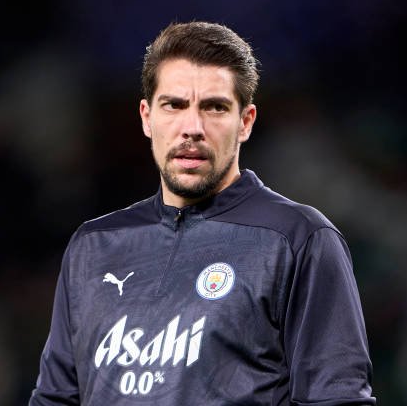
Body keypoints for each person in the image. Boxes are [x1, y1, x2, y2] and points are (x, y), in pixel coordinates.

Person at [29, 21, 375, 405]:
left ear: (245, 122)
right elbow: (55, 398)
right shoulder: (94, 246)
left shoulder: (297, 239)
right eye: (174, 105)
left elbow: (337, 398)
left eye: (214, 107)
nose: (192, 128)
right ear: (146, 117)